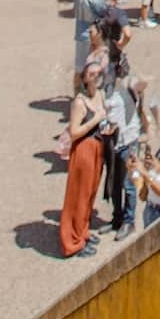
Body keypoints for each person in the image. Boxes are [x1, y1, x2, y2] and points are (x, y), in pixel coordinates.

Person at [59, 61, 108, 258]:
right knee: (78, 195)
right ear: (85, 78)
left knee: (89, 194)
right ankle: (73, 242)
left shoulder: (101, 95)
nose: (96, 76)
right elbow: (74, 132)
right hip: (84, 150)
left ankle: (82, 231)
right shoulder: (80, 102)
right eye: (92, 73)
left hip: (98, 147)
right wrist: (95, 119)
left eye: (98, 73)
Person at [104, 55, 147, 241]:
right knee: (114, 182)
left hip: (128, 140)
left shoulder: (129, 84)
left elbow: (143, 87)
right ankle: (117, 217)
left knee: (128, 184)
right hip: (112, 141)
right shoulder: (105, 88)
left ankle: (129, 221)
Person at [73, 0, 110, 90]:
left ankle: (77, 95)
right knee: (96, 65)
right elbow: (103, 10)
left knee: (79, 68)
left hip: (81, 35)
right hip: (95, 35)